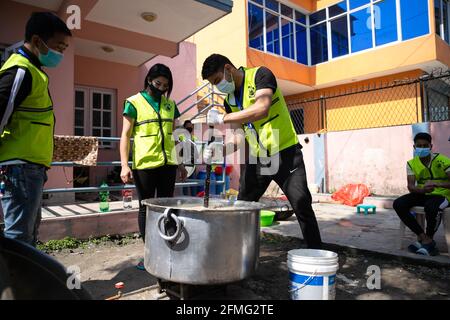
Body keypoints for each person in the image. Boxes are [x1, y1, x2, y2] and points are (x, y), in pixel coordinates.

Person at [201, 54, 322, 249]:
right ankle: (236, 255)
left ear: (228, 69)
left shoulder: (261, 75)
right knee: (242, 207)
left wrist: (224, 119)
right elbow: (238, 137)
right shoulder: (229, 100)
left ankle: (317, 254)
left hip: (285, 153)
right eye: (213, 84)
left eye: (217, 81)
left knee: (301, 204)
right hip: (259, 159)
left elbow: (262, 107)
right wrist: (220, 150)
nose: (218, 87)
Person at [0, 12, 71, 246]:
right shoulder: (21, 71)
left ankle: (24, 281)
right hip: (20, 167)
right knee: (19, 239)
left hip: (30, 167)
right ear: (38, 40)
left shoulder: (35, 71)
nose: (61, 53)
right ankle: (14, 282)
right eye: (59, 46)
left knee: (28, 235)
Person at [119, 64, 187, 269]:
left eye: (166, 85)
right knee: (146, 208)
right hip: (145, 165)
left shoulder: (170, 105)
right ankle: (150, 252)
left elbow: (174, 136)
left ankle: (168, 248)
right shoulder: (133, 102)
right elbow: (126, 135)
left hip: (168, 165)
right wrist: (124, 164)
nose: (162, 88)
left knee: (168, 207)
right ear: (149, 80)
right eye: (158, 83)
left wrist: (181, 163)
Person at [393, 132, 450, 256]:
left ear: (431, 146)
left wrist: (437, 184)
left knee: (431, 207)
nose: (422, 148)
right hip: (423, 193)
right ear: (414, 147)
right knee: (398, 204)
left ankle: (428, 239)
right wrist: (423, 190)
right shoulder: (411, 164)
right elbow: (411, 187)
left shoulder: (443, 160)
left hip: (442, 195)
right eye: (419, 146)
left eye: (425, 145)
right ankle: (424, 238)